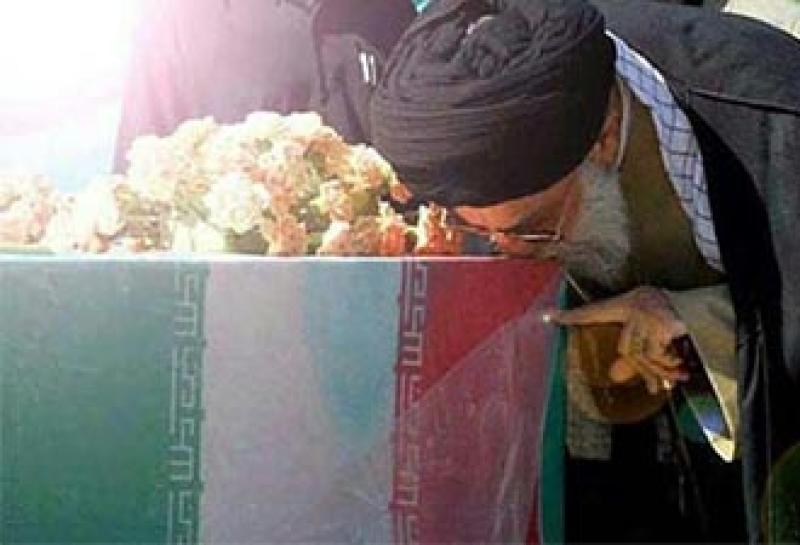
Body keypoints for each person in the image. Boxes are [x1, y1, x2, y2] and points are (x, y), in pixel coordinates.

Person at [369, 0, 800, 542]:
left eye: (533, 228)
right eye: (475, 227)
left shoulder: (778, 127)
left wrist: (697, 316)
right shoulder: (509, 108)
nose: (510, 253)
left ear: (604, 136)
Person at [113, 0, 415, 171]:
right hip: (226, 264)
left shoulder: (390, 13)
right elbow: (134, 183)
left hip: (380, 262)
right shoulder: (181, 16)